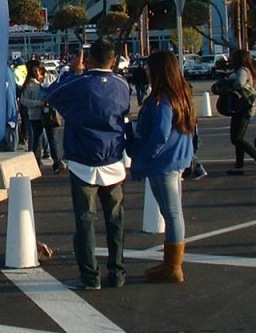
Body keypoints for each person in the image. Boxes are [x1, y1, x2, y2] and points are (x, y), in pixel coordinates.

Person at [47, 39, 129, 290]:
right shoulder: (122, 85)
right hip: (113, 159)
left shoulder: (79, 83)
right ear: (113, 61)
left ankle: (90, 276)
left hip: (83, 159)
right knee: (115, 221)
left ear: (89, 59)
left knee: (85, 221)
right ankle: (117, 273)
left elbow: (52, 94)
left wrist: (75, 70)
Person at [129, 50, 195, 283]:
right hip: (175, 159)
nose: (146, 71)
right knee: (173, 213)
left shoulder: (161, 100)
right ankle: (172, 265)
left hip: (163, 162)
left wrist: (146, 155)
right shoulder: (180, 94)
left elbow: (160, 135)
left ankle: (173, 267)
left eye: (149, 67)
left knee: (172, 213)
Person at [19, 60, 65, 173]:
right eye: (34, 70)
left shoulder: (49, 79)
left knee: (52, 138)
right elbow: (24, 100)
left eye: (39, 70)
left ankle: (57, 162)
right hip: (35, 115)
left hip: (49, 114)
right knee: (37, 139)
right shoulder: (29, 84)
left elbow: (56, 91)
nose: (37, 72)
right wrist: (39, 103)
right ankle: (36, 162)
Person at [218, 49, 256, 175]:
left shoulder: (242, 71)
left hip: (243, 108)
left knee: (236, 138)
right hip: (241, 107)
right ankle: (239, 165)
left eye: (234, 57)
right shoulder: (247, 71)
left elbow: (239, 84)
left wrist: (228, 81)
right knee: (238, 137)